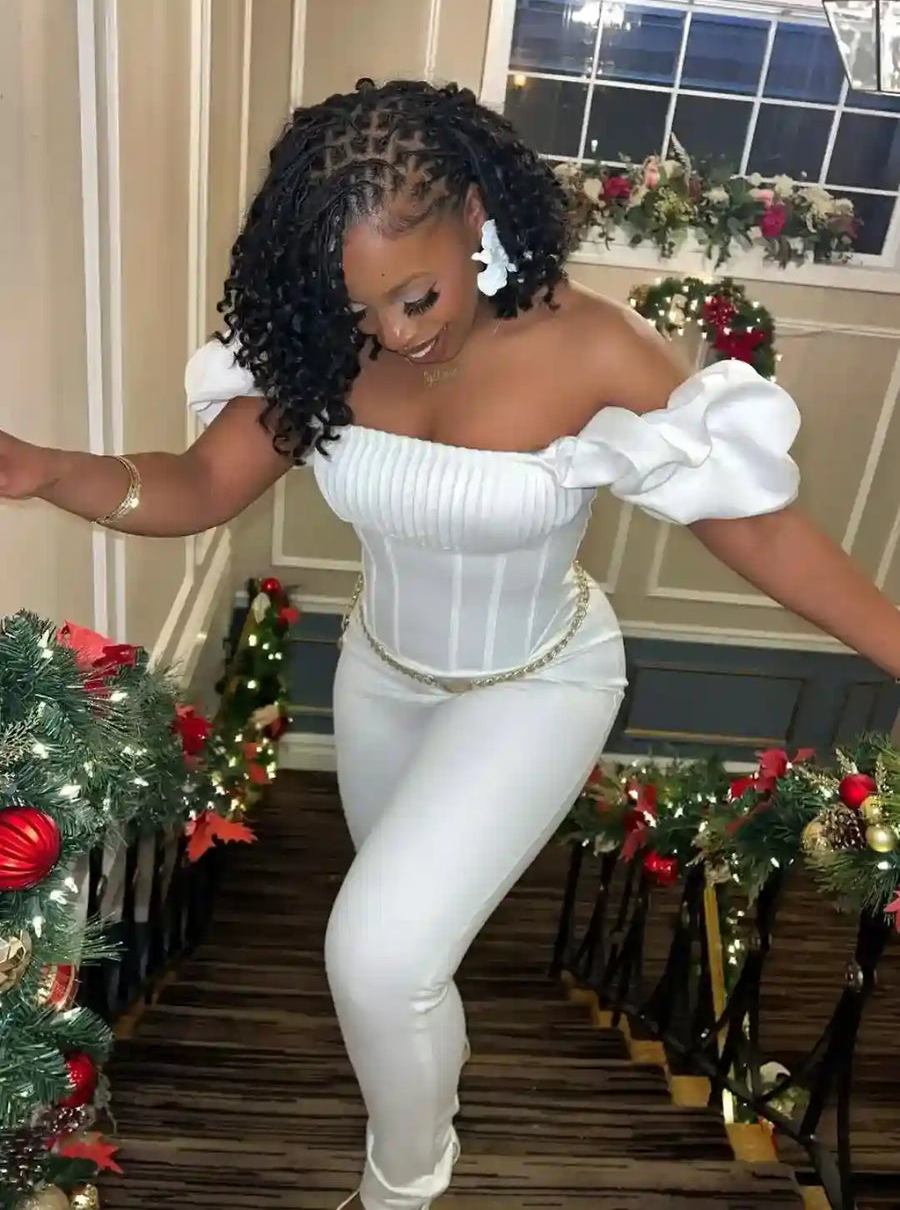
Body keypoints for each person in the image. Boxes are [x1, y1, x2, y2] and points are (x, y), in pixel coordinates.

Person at [3, 78, 900, 1210]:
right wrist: (45, 469)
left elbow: (764, 536)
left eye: (416, 294)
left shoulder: (592, 350)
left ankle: (404, 1185)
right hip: (384, 683)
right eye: (364, 309)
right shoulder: (328, 347)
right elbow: (195, 484)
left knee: (375, 956)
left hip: (540, 684)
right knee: (406, 964)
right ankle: (431, 1080)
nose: (397, 335)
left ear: (476, 212)